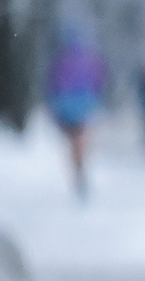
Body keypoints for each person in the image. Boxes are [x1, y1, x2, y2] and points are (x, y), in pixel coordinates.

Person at [43, 24, 108, 199]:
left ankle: (77, 170)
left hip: (65, 108)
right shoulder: (91, 59)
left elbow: (52, 83)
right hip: (84, 107)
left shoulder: (61, 59)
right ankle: (80, 170)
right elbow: (100, 82)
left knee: (72, 143)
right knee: (81, 141)